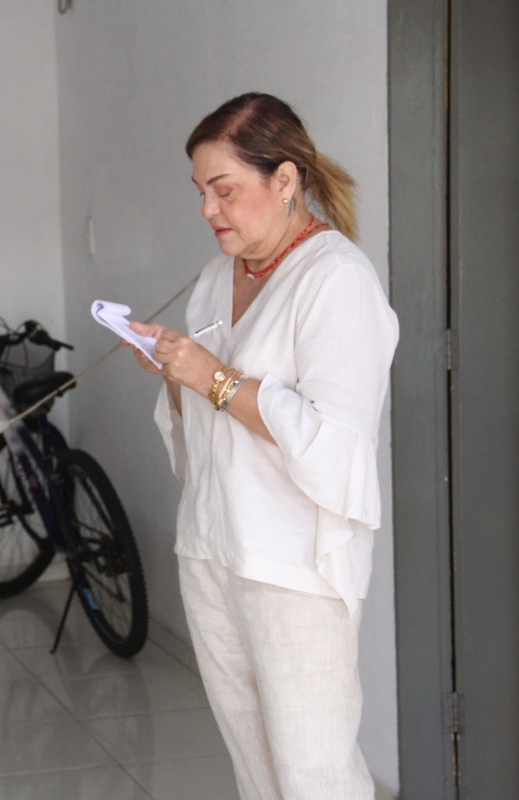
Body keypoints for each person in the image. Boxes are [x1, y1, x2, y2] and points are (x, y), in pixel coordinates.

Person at [126, 93, 398, 799]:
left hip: (292, 562)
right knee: (254, 767)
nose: (208, 210)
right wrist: (175, 373)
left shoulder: (336, 280)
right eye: (201, 192)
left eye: (224, 190)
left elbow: (335, 443)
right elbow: (204, 425)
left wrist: (211, 377)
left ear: (284, 180)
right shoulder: (218, 278)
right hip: (212, 545)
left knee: (314, 773)